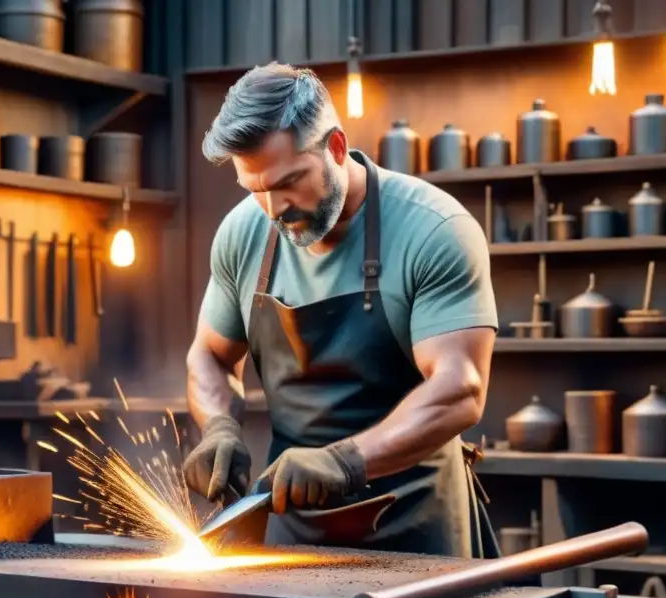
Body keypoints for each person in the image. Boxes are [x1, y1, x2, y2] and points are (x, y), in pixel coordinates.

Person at [182, 62, 499, 557]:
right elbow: (211, 356)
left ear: (334, 147)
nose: (273, 209)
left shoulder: (434, 229)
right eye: (255, 189)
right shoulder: (243, 233)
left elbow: (460, 389)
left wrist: (346, 462)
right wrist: (219, 425)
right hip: (290, 521)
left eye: (289, 182)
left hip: (414, 523)